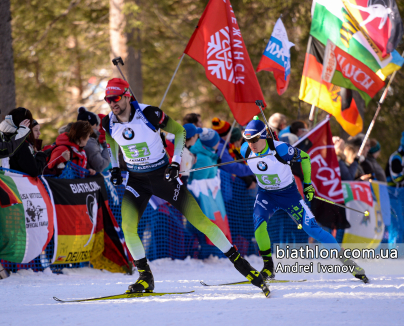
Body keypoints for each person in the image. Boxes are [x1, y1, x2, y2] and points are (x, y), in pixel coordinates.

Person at [101, 78, 269, 296]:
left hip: (163, 176)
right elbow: (112, 142)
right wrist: (115, 167)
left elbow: (179, 132)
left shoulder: (148, 114)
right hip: (137, 180)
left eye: (114, 98)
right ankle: (145, 278)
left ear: (126, 95)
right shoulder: (108, 123)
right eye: (107, 99)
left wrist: (175, 162)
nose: (111, 103)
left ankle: (242, 266)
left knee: (200, 221)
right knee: (128, 227)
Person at [240, 117, 368, 283]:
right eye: (248, 140)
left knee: (314, 231)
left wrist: (307, 185)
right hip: (266, 194)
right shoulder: (245, 150)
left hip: (289, 195)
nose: (252, 144)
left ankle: (349, 264)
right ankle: (268, 267)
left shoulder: (282, 149)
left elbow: (305, 158)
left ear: (264, 136)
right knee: (259, 228)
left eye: (255, 139)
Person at [0, 107, 47, 177]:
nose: (39, 133)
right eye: (35, 130)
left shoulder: (2, 135)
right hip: (14, 184)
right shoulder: (20, 142)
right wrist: (41, 156)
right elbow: (34, 171)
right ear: (26, 123)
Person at [211, 117, 255, 188]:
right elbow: (233, 166)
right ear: (226, 134)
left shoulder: (223, 146)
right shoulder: (220, 147)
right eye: (229, 133)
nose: (230, 135)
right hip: (223, 187)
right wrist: (254, 169)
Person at [77, 107, 110, 173]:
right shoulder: (89, 142)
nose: (100, 127)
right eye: (98, 124)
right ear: (93, 125)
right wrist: (108, 148)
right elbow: (100, 166)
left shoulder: (87, 139)